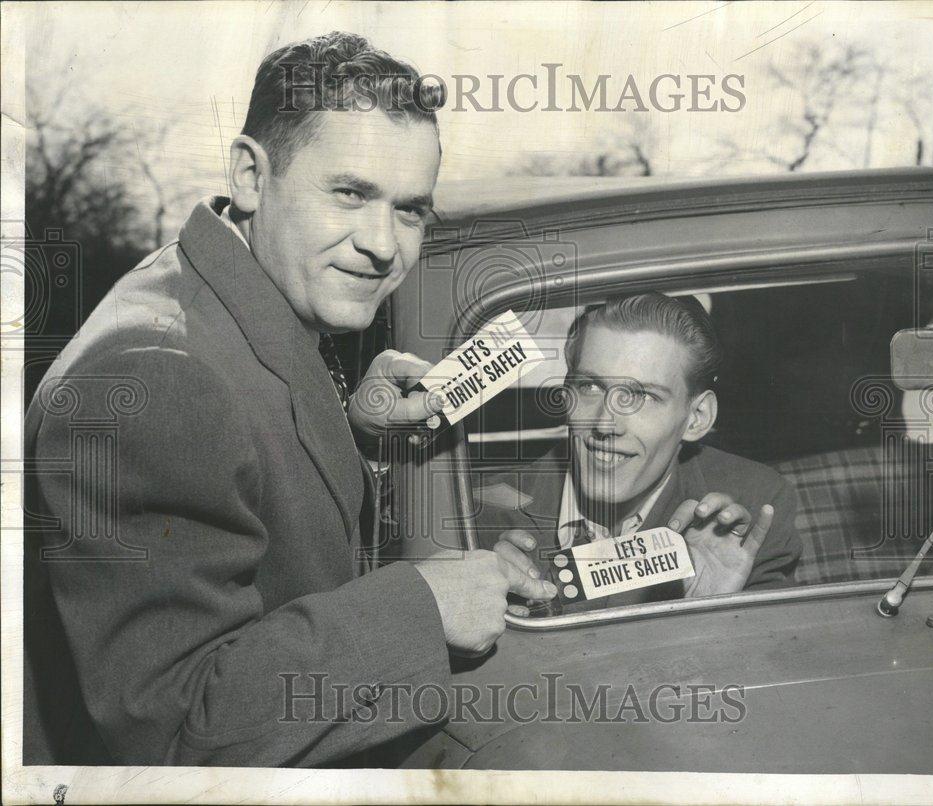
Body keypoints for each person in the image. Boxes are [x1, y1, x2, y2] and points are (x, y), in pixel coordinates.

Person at [23, 31, 553, 767]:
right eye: (350, 193)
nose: (382, 244)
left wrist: (353, 428)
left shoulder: (222, 302)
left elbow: (250, 477)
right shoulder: (157, 375)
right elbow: (177, 731)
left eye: (409, 210)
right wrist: (423, 609)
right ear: (248, 174)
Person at [475, 293, 802, 612]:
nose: (605, 424)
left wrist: (708, 611)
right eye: (590, 387)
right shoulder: (482, 511)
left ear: (697, 418)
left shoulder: (754, 506)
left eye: (642, 396)